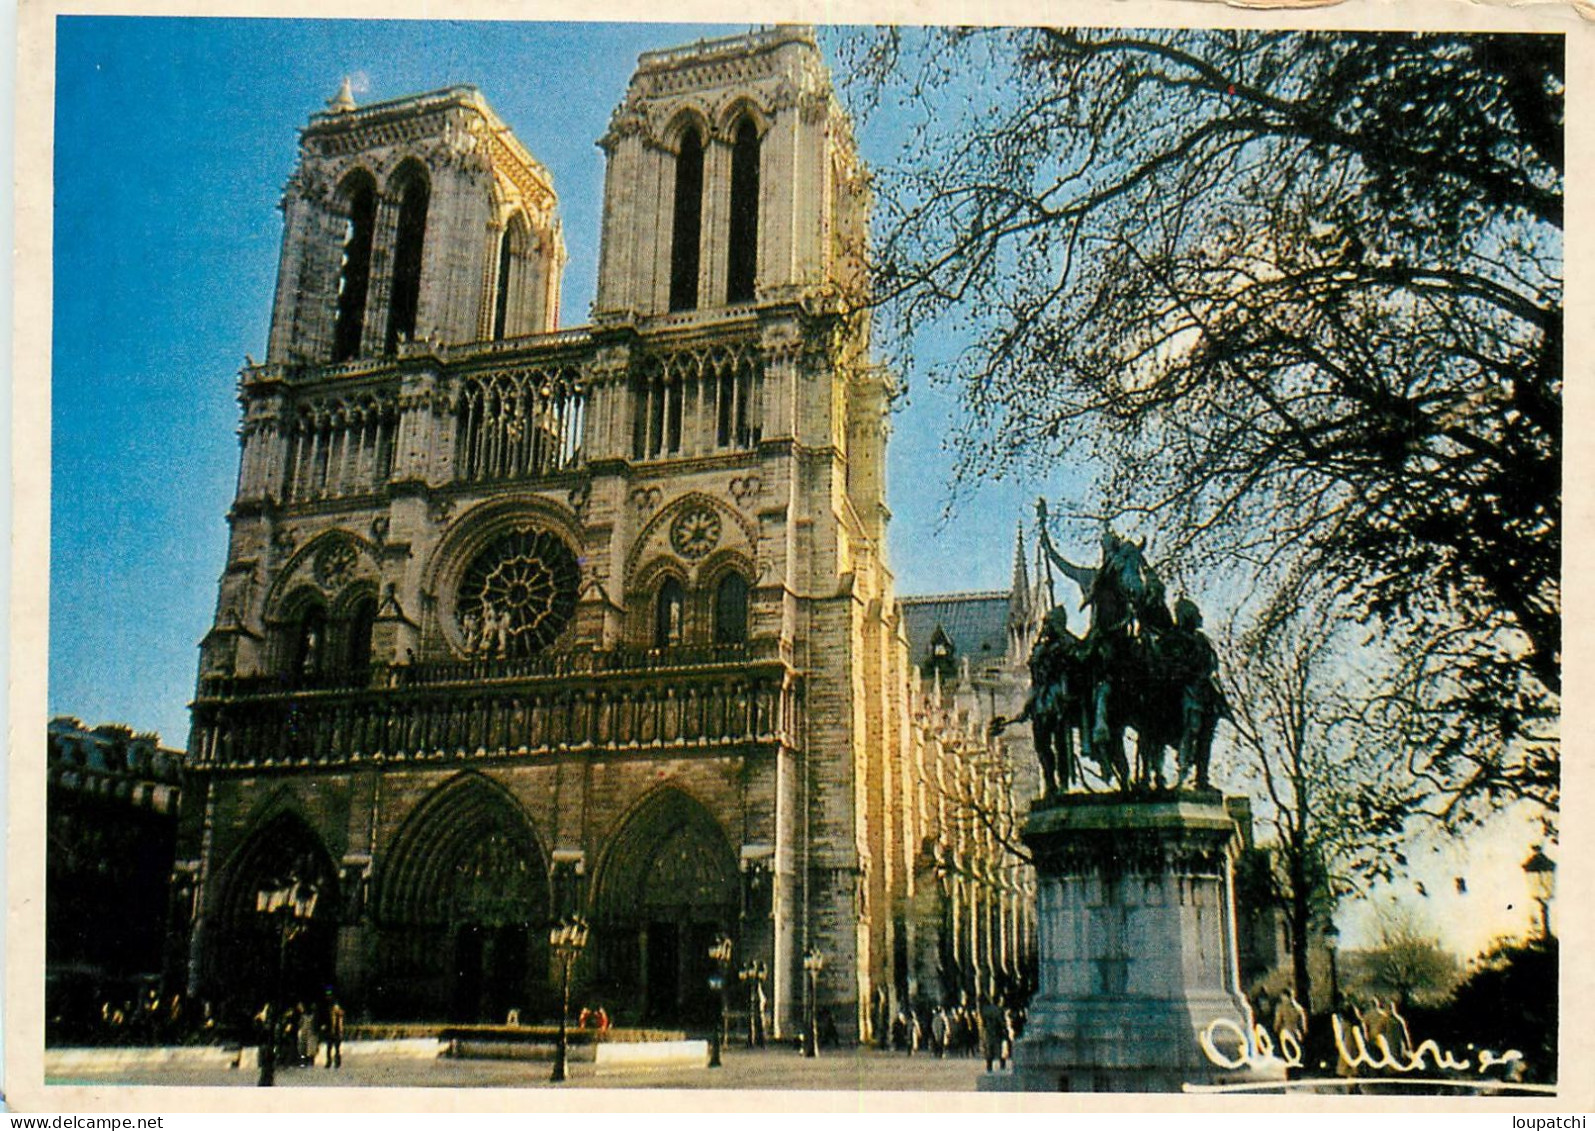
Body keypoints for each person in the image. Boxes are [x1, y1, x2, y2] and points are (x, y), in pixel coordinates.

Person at [324, 997, 345, 1069]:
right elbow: (327, 1023)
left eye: (337, 1008)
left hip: (337, 1033)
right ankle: (329, 1061)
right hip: (330, 1034)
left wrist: (341, 1033)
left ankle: (337, 1062)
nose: (336, 1009)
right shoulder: (329, 1015)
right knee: (329, 1048)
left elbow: (341, 1025)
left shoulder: (340, 1016)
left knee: (337, 1049)